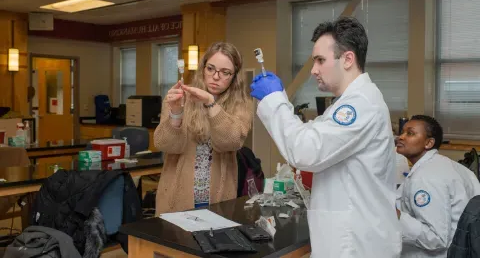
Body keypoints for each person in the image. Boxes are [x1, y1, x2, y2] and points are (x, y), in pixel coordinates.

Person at [250, 16, 401, 257]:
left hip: (356, 245)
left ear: (348, 59)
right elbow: (313, 136)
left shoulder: (359, 105)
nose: (314, 70)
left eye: (321, 60)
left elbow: (304, 150)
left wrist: (274, 100)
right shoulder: (347, 103)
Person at [154, 42, 253, 215]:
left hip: (219, 198)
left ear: (234, 75)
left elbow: (230, 142)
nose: (216, 76)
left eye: (225, 72)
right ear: (203, 68)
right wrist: (176, 114)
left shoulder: (241, 105)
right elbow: (165, 145)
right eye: (211, 69)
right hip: (176, 198)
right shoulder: (178, 98)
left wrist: (210, 103)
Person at [395, 115, 480, 258]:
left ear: (428, 143)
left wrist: (396, 216)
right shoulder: (451, 166)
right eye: (401, 132)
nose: (400, 137)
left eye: (410, 133)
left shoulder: (426, 178)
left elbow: (436, 239)